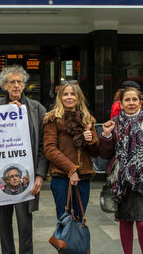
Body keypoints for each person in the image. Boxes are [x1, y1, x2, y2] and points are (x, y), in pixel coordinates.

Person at [100, 86, 143, 254]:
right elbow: (106, 154)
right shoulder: (113, 123)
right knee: (126, 221)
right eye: (127, 100)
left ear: (140, 102)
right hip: (122, 179)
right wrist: (106, 136)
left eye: (134, 99)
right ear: (121, 104)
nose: (131, 103)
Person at [0, 65, 48, 254]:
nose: (16, 85)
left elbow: (43, 145)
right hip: (2, 175)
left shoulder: (36, 108)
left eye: (19, 82)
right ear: (4, 86)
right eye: (11, 82)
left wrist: (40, 174)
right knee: (4, 224)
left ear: (24, 85)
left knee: (25, 224)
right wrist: (4, 113)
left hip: (27, 175)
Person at [43, 82, 99, 224]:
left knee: (80, 219)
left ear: (78, 97)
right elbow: (50, 149)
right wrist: (71, 169)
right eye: (65, 94)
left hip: (83, 177)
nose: (69, 97)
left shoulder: (88, 120)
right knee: (65, 221)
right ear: (60, 97)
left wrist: (91, 140)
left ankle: (79, 247)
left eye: (72, 94)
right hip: (61, 177)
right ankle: (65, 247)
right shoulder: (52, 119)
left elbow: (95, 153)